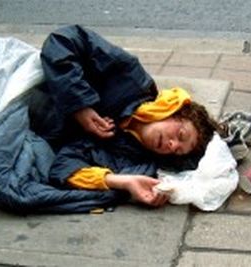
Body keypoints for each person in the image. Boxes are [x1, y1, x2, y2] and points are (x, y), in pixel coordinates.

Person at [29, 25, 224, 208]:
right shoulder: (129, 79)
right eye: (180, 135)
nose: (172, 146)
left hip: (30, 126)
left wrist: (123, 182)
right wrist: (80, 105)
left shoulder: (131, 158)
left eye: (176, 151)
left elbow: (62, 169)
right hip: (27, 88)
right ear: (173, 111)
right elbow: (63, 40)